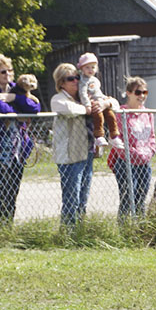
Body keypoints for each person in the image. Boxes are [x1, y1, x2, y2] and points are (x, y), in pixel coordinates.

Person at [0, 54, 33, 230]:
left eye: (10, 70)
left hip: (17, 151)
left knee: (12, 195)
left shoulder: (15, 88)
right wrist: (18, 110)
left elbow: (35, 107)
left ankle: (6, 231)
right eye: (3, 71)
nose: (8, 74)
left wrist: (14, 99)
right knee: (1, 194)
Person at [50, 62, 99, 227]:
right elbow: (69, 109)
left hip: (87, 153)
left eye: (78, 77)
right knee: (71, 199)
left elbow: (111, 102)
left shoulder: (85, 96)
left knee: (83, 198)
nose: (76, 81)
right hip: (69, 158)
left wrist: (102, 104)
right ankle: (68, 233)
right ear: (61, 83)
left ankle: (80, 231)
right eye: (71, 79)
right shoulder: (58, 98)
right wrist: (87, 108)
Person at [108, 77, 156, 220]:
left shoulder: (148, 113)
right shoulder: (121, 112)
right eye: (138, 92)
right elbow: (116, 138)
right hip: (126, 162)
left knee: (141, 199)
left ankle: (140, 228)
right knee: (127, 199)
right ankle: (124, 229)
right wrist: (132, 154)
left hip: (144, 162)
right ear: (129, 93)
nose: (142, 96)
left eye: (144, 92)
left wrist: (150, 151)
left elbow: (152, 137)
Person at [76, 53, 123, 150]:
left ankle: (114, 135)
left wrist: (105, 98)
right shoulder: (83, 81)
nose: (90, 70)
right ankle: (99, 135)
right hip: (92, 102)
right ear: (82, 69)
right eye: (87, 67)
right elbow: (83, 93)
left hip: (100, 100)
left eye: (93, 67)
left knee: (110, 115)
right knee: (98, 115)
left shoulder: (95, 80)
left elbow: (98, 93)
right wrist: (87, 105)